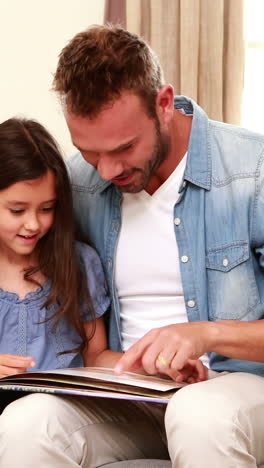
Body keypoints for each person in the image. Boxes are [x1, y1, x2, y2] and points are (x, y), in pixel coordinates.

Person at [2, 24, 264, 467]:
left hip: (236, 391)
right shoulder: (79, 186)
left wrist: (206, 333)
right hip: (131, 392)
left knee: (199, 414)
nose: (105, 171)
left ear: (163, 103)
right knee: (27, 423)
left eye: (123, 148)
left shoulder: (251, 172)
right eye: (88, 151)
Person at [0, 116, 112, 405]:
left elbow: (96, 356)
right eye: (17, 210)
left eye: (46, 208)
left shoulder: (79, 264)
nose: (33, 224)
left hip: (59, 422)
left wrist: (152, 367)